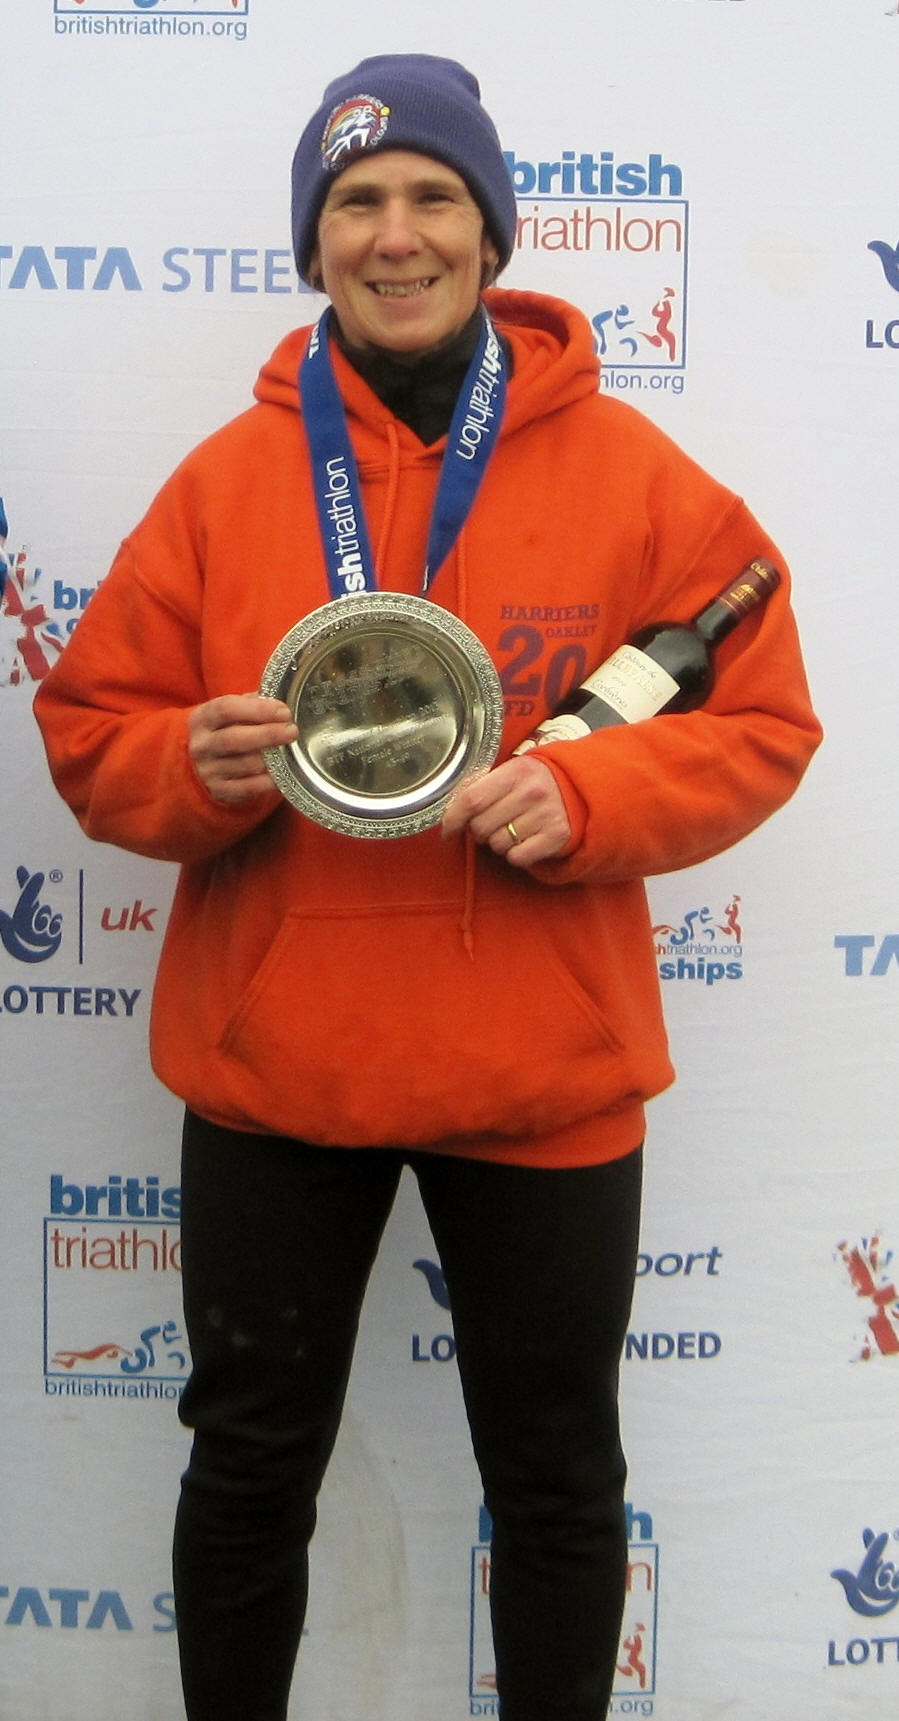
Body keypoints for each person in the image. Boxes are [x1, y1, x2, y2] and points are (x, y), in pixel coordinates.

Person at [33, 53, 822, 1721]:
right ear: (315, 243)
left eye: (432, 197)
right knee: (250, 1465)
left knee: (558, 1473)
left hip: (543, 1072)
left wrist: (590, 792)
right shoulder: (225, 482)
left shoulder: (631, 472)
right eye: (356, 204)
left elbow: (763, 721)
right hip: (280, 1070)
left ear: (492, 229)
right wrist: (193, 764)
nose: (396, 235)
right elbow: (92, 736)